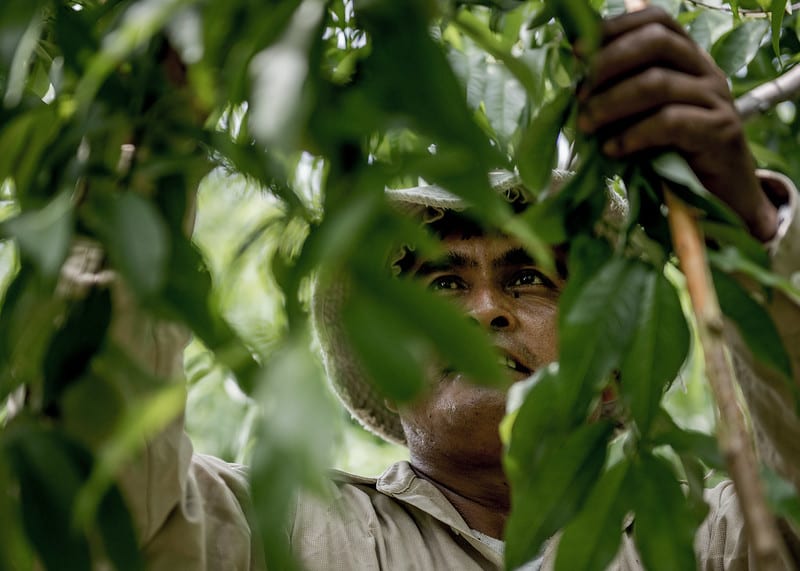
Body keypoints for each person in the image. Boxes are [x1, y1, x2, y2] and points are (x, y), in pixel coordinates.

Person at [56, 6, 800, 570]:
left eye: (530, 277)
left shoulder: (701, 537)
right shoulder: (291, 532)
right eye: (444, 283)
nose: (486, 308)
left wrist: (742, 221)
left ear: (610, 366)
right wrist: (144, 169)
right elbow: (98, 508)